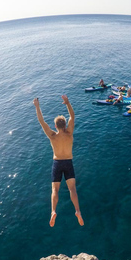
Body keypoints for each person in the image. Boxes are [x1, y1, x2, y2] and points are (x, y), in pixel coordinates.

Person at [33, 95, 84, 227]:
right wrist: (67, 103)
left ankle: (53, 211)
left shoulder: (52, 135)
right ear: (65, 124)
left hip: (57, 163)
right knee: (72, 189)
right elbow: (73, 116)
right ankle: (78, 211)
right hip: (68, 162)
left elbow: (41, 121)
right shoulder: (69, 133)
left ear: (55, 125)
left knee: (55, 190)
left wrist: (37, 107)